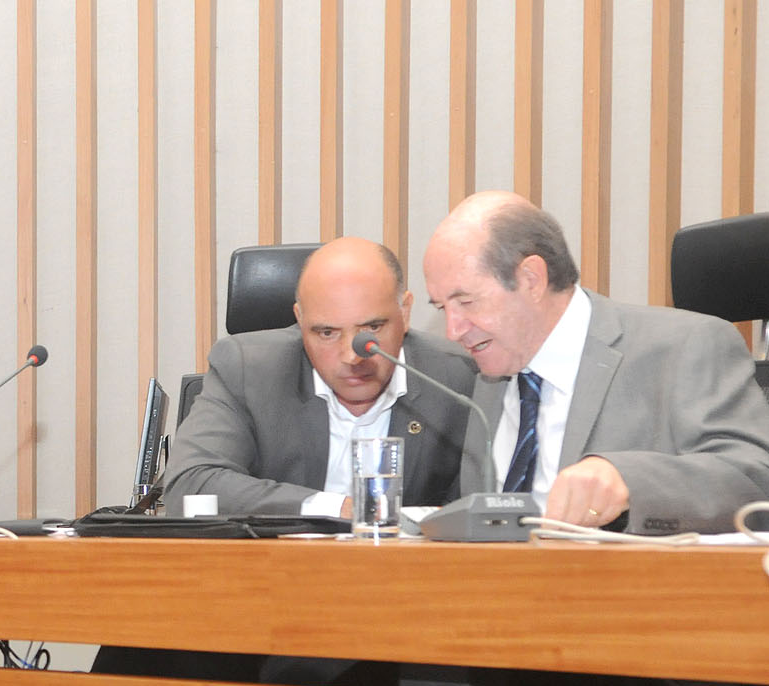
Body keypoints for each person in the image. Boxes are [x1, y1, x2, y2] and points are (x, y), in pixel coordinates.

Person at [422, 191, 769, 533]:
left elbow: (756, 479)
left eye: (466, 302)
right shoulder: (481, 374)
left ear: (531, 278)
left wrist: (627, 480)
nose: (453, 330)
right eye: (442, 308)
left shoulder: (685, 347)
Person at [165, 237, 475, 517]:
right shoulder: (248, 370)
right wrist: (338, 509)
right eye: (327, 333)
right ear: (300, 320)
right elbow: (191, 484)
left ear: (404, 312)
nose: (352, 356)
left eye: (371, 328)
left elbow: (483, 503)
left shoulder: (458, 377)